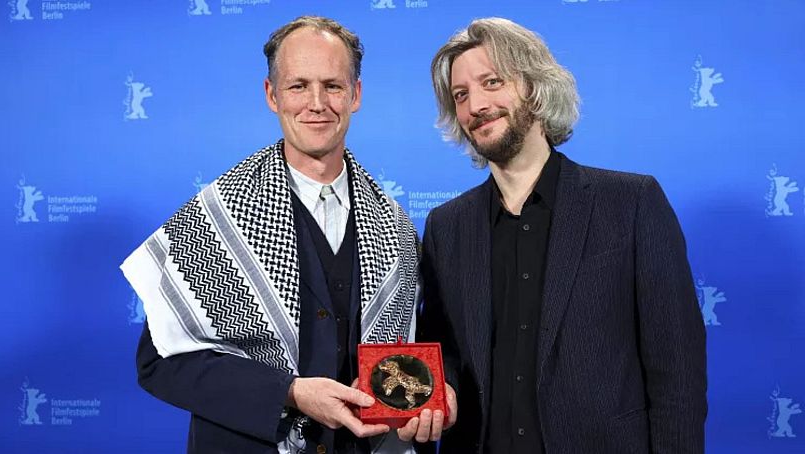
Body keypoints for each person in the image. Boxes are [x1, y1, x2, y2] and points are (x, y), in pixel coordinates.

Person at [121, 16, 439, 454]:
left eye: (333, 85)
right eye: (298, 86)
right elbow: (160, 363)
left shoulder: (397, 228)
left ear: (356, 95)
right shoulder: (216, 219)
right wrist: (288, 392)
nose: (316, 103)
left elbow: (411, 363)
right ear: (272, 95)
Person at [416, 17, 707, 454]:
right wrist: (443, 391)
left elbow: (677, 377)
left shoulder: (631, 203)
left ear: (534, 87)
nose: (476, 104)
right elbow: (445, 355)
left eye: (492, 82)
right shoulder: (446, 227)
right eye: (461, 95)